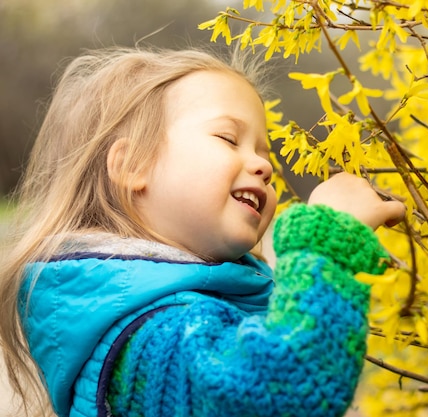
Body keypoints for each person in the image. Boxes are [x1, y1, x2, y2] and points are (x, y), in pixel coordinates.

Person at [0, 46, 406, 417]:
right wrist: (329, 240)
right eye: (229, 139)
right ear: (132, 166)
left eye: (264, 153)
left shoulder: (159, 318)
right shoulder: (148, 340)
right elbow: (285, 391)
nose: (265, 168)